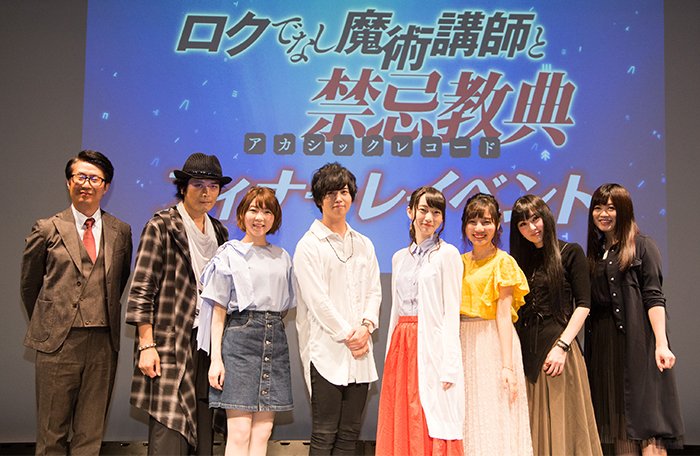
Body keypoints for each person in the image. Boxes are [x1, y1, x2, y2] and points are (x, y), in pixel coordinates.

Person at [20, 150, 132, 455]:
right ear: (69, 182)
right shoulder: (47, 228)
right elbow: (30, 286)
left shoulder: (121, 231)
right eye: (80, 177)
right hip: (58, 343)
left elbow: (119, 281)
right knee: (51, 433)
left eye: (94, 178)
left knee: (90, 433)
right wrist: (50, 321)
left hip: (103, 344)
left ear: (106, 186)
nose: (86, 184)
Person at [126, 153, 231, 455]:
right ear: (183, 187)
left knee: (204, 425)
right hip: (170, 341)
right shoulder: (161, 225)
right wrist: (147, 345)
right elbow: (142, 287)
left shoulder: (219, 231)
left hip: (207, 343)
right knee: (170, 428)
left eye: (213, 186)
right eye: (198, 185)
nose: (206, 192)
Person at [585, 183, 684, 455]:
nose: (603, 214)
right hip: (606, 348)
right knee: (621, 424)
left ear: (624, 210)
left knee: (649, 423)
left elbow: (654, 297)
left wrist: (661, 344)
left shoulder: (642, 246)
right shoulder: (596, 252)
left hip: (639, 344)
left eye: (611, 208)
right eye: (598, 208)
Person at [198, 186, 294, 456]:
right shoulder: (229, 254)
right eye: (253, 210)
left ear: (275, 218)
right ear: (242, 214)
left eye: (267, 211)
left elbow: (284, 309)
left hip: (275, 343)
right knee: (239, 431)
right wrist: (216, 360)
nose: (259, 218)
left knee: (263, 431)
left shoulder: (283, 257)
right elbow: (218, 311)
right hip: (239, 343)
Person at [294, 162, 382, 455]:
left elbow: (374, 291)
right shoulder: (308, 245)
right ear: (319, 199)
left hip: (360, 353)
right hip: (326, 353)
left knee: (349, 435)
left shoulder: (364, 244)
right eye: (330, 193)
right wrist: (349, 335)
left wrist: (366, 327)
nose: (338, 199)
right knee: (324, 434)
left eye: (343, 192)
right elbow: (317, 301)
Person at [510, 195, 602, 455]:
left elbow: (583, 305)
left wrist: (562, 347)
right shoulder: (517, 261)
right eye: (523, 224)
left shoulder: (570, 252)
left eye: (535, 219)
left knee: (564, 428)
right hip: (526, 354)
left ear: (546, 217)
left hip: (558, 353)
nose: (531, 228)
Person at [376, 186, 464, 456]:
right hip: (402, 345)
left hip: (430, 343)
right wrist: (390, 352)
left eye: (436, 212)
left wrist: (450, 365)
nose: (429, 218)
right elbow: (396, 309)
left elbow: (451, 312)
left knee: (430, 415)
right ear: (410, 212)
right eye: (423, 210)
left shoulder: (448, 254)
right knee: (403, 412)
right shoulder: (399, 258)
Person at [458, 193, 532, 456]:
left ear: (498, 225)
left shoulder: (504, 262)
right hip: (463, 342)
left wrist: (507, 366)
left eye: (486, 222)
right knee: (468, 414)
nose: (479, 228)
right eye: (473, 221)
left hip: (492, 341)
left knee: (496, 414)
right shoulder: (458, 261)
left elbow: (503, 315)